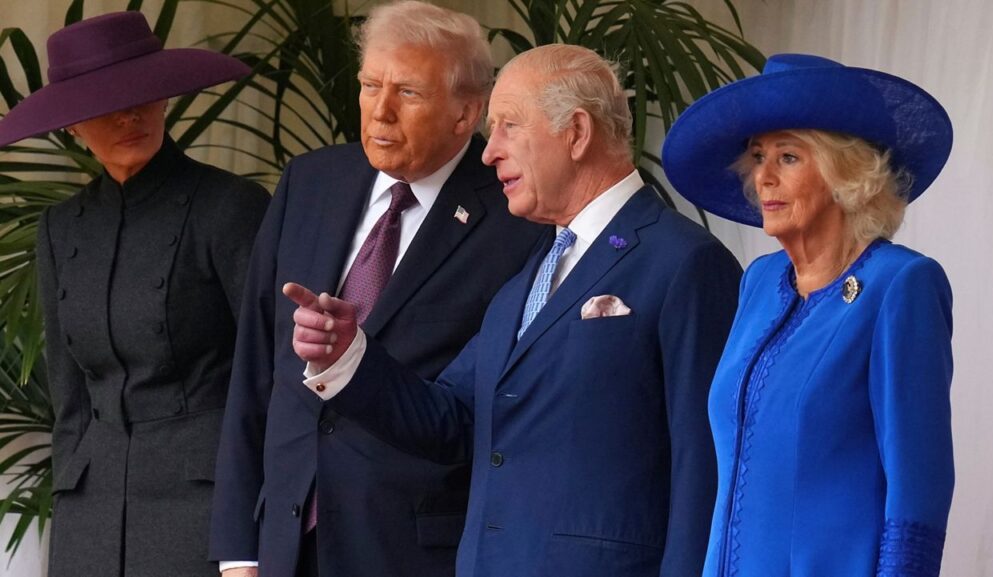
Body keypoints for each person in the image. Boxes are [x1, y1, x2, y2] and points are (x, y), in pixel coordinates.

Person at [285, 44, 742, 577]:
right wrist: (347, 357)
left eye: (508, 126)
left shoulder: (684, 261)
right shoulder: (533, 270)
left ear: (576, 133)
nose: (489, 152)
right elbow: (455, 419)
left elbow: (706, 469)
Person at [208, 2, 546, 577]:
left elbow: (495, 414)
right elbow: (256, 368)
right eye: (370, 86)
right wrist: (239, 549)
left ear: (466, 113)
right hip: (285, 544)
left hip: (412, 551)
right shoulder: (310, 182)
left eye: (408, 93)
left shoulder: (518, 219)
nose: (380, 111)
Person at [661, 53, 956, 577]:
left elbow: (919, 485)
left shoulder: (900, 285)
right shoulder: (759, 282)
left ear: (848, 173)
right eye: (758, 156)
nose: (763, 176)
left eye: (789, 157)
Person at [0, 11, 269, 577]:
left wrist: (247, 541)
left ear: (164, 98)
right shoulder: (61, 228)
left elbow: (269, 374)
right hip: (89, 510)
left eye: (143, 97)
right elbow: (68, 396)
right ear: (73, 125)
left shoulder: (229, 207)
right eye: (107, 105)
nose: (130, 116)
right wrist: (70, 483)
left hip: (206, 505)